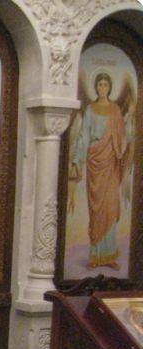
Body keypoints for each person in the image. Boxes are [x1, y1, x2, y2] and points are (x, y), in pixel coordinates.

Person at [71, 72, 133, 271]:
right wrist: (77, 160)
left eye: (106, 84)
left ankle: (110, 255)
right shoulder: (90, 110)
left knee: (110, 206)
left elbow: (123, 137)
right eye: (100, 84)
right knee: (97, 211)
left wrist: (130, 120)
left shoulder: (115, 110)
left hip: (111, 163)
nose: (103, 88)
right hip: (95, 163)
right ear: (96, 87)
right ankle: (96, 255)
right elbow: (83, 137)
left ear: (110, 87)